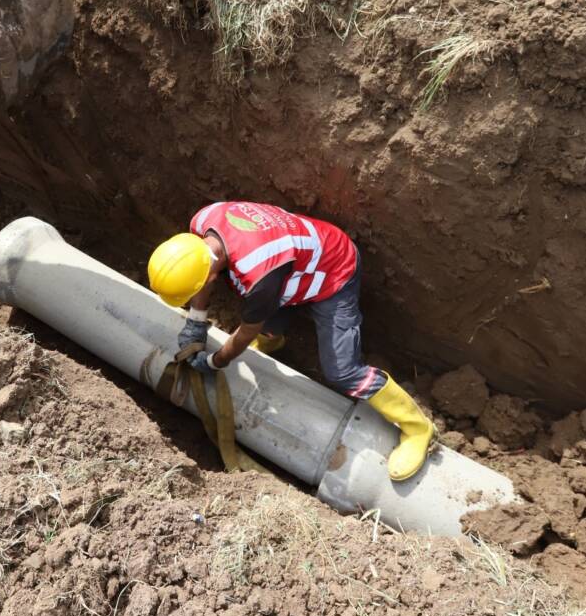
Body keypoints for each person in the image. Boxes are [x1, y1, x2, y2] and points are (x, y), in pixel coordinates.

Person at [147, 201, 434, 481]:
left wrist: (215, 360)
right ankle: (272, 340)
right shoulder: (204, 220)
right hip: (293, 261)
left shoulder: (258, 274)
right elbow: (206, 277)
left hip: (334, 270)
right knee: (261, 305)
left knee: (342, 372)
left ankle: (417, 427)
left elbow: (245, 330)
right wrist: (195, 322)